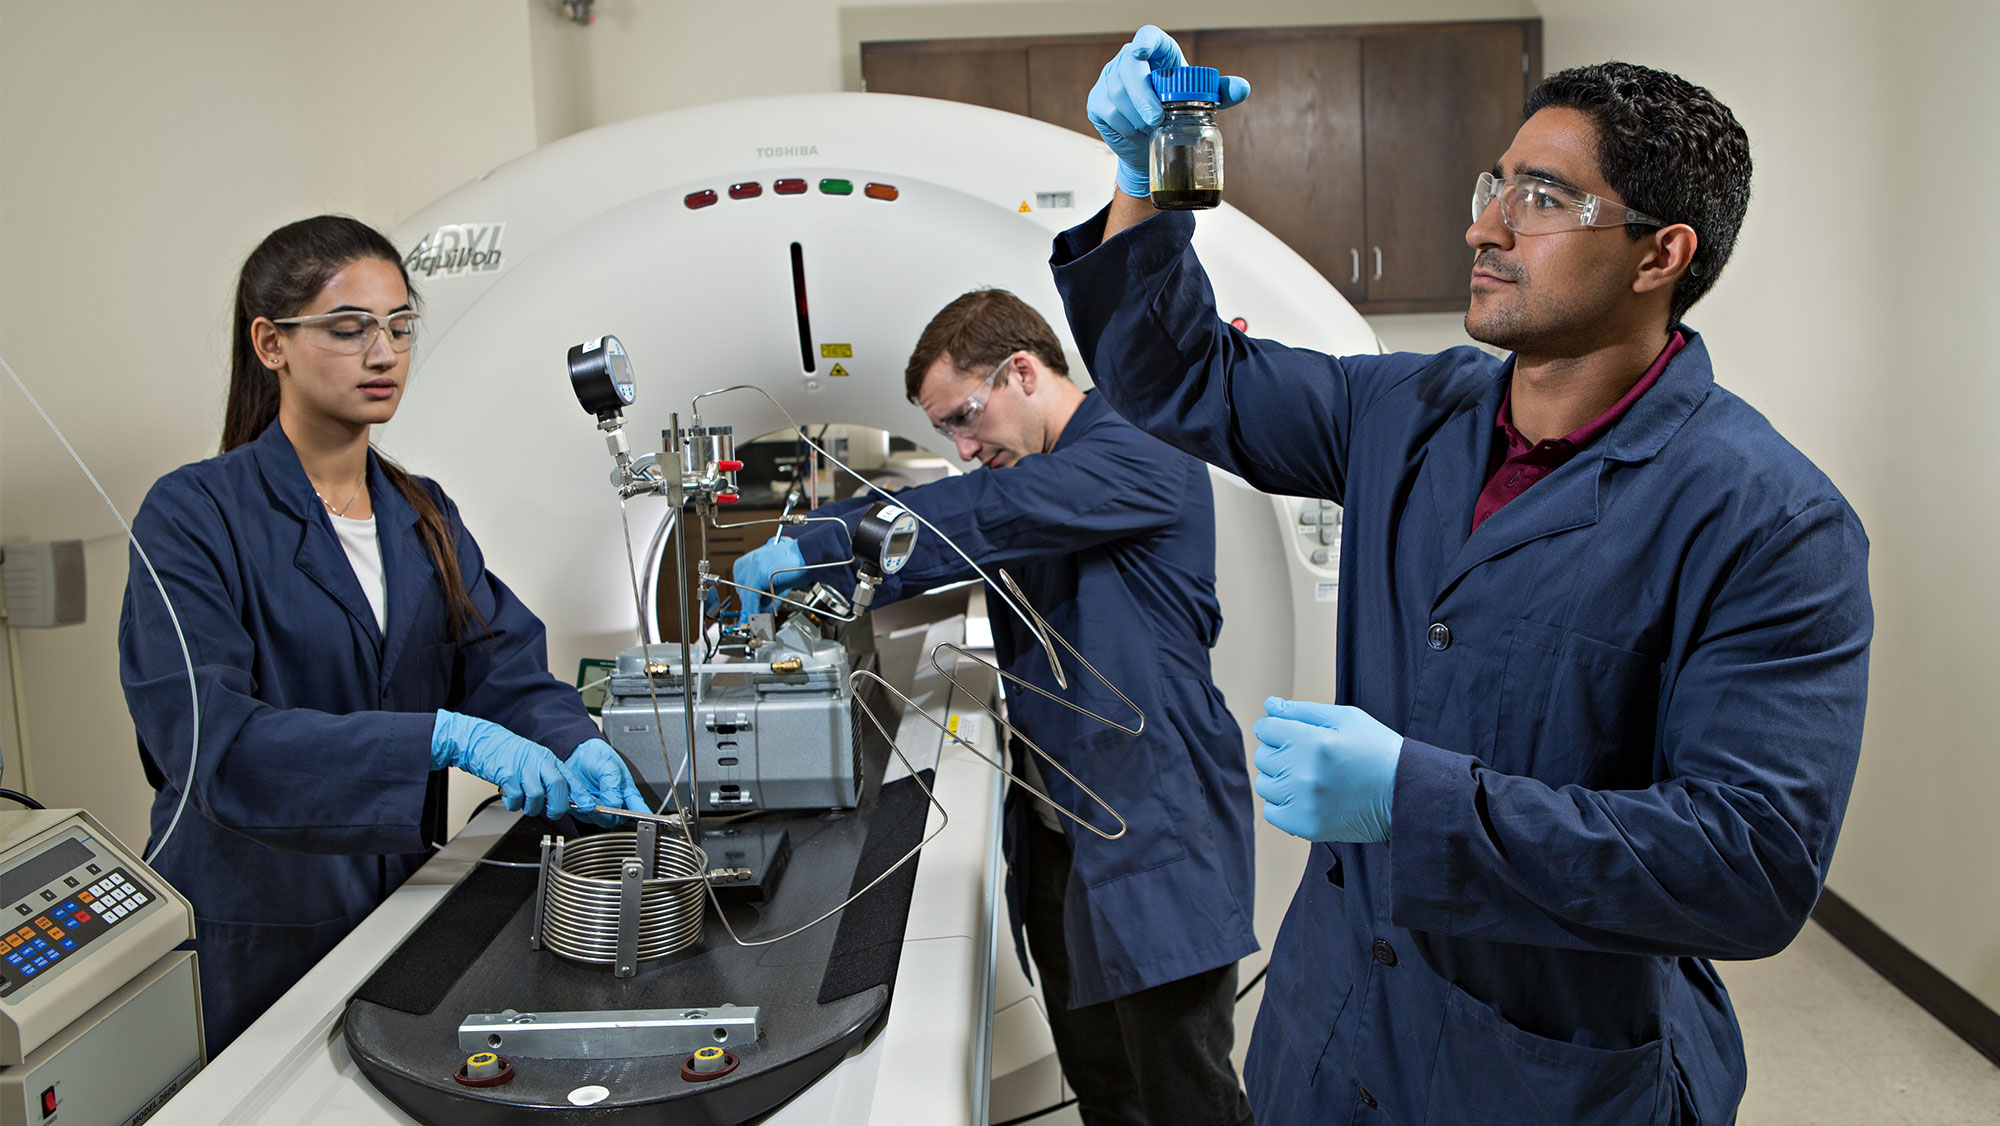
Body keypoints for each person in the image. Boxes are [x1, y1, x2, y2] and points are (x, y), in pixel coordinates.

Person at [1052, 29, 1871, 1126]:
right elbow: (1179, 372)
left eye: (1540, 196)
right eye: (1496, 183)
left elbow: (1746, 866)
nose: (1482, 223)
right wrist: (1140, 180)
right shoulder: (1406, 412)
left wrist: (1411, 799)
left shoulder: (1767, 520)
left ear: (1657, 254)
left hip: (1541, 1063)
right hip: (1328, 1024)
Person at [118, 216, 649, 1058]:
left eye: (400, 326)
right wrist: (439, 738)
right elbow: (210, 741)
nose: (384, 352)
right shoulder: (193, 515)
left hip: (398, 903)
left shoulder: (421, 512)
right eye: (349, 327)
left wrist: (573, 740)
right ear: (270, 344)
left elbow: (501, 666)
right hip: (257, 926)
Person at [734, 288, 1257, 1126]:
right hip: (1058, 837)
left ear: (1022, 370)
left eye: (966, 418)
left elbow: (987, 516)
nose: (965, 447)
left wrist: (821, 545)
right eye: (946, 431)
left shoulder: (1139, 448)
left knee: (1184, 1094)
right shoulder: (1038, 475)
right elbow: (935, 551)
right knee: (1103, 1085)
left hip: (1155, 823)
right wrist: (818, 563)